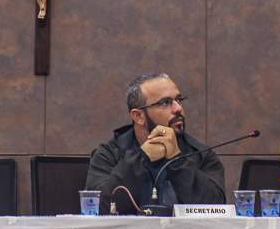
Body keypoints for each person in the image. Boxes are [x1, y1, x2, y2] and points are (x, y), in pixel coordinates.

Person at [86, 72, 225, 214]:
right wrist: (140, 157)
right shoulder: (109, 155)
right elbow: (97, 208)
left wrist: (177, 161)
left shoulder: (202, 155)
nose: (178, 108)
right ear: (138, 116)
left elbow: (217, 211)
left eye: (179, 99)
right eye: (165, 103)